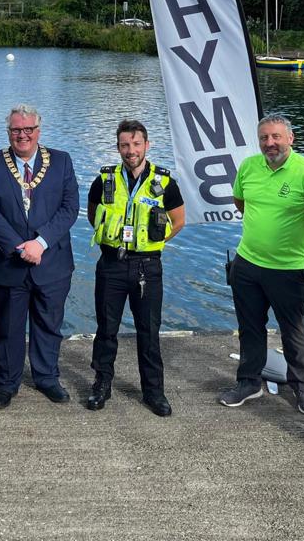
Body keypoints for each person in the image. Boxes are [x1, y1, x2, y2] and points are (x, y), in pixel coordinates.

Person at [219, 115, 304, 415]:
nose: (270, 143)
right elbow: (240, 201)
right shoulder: (249, 167)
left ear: (290, 138)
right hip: (248, 263)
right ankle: (249, 382)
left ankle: (301, 386)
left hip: (289, 267)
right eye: (265, 137)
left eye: (277, 137)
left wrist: (300, 235)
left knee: (293, 329)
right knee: (250, 327)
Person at [0, 104, 79, 409]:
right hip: (6, 262)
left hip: (51, 261)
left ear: (38, 131)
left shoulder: (61, 161)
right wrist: (20, 246)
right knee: (7, 326)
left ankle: (47, 377)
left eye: (28, 129)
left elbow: (70, 207)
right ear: (8, 132)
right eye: (16, 130)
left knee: (49, 323)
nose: (22, 135)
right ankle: (6, 382)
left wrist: (41, 243)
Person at [85, 119, 185, 417]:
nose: (131, 151)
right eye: (125, 145)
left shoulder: (165, 182)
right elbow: (93, 215)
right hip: (111, 264)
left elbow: (178, 221)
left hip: (147, 267)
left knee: (149, 331)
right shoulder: (104, 180)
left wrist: (151, 242)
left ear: (147, 145)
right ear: (118, 147)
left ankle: (154, 391)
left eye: (136, 144)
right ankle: (102, 385)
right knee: (106, 330)